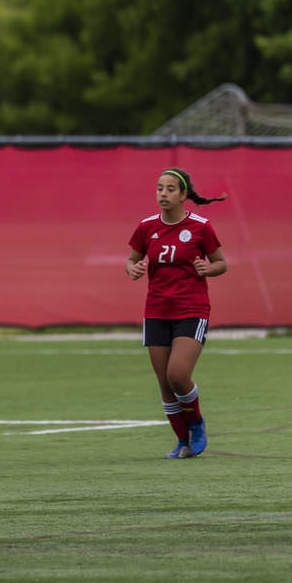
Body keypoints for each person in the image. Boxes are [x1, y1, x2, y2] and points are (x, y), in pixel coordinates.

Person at [126, 167, 227, 458]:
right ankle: (182, 442)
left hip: (191, 310)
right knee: (164, 383)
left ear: (183, 195)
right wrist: (133, 268)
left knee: (178, 374)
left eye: (170, 189)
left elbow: (221, 262)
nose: (164, 194)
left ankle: (195, 423)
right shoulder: (146, 227)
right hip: (156, 310)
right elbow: (131, 260)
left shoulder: (200, 227)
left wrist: (208, 268)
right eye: (160, 188)